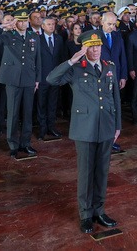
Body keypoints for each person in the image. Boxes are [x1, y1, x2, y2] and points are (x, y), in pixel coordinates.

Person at [46, 30, 121, 235]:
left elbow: (115, 99)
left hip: (106, 126)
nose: (96, 50)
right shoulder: (76, 69)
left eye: (98, 46)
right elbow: (51, 79)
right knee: (86, 173)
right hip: (84, 129)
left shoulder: (109, 67)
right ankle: (86, 215)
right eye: (91, 46)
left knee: (102, 172)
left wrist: (117, 125)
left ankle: (100, 211)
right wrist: (72, 60)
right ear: (84, 48)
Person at [0, 7, 41, 158]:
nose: (23, 24)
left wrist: (37, 79)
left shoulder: (34, 36)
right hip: (13, 79)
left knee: (28, 113)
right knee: (13, 112)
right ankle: (13, 144)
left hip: (29, 78)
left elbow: (38, 59)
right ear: (15, 22)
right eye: (20, 21)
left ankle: (26, 143)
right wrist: (2, 26)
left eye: (25, 21)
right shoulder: (8, 35)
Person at [36, 17, 66, 140]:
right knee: (41, 104)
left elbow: (62, 58)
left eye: (53, 24)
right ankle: (42, 129)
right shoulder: (38, 39)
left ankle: (51, 127)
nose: (51, 26)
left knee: (53, 104)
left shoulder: (59, 39)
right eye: (48, 24)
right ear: (43, 26)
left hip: (55, 78)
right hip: (42, 78)